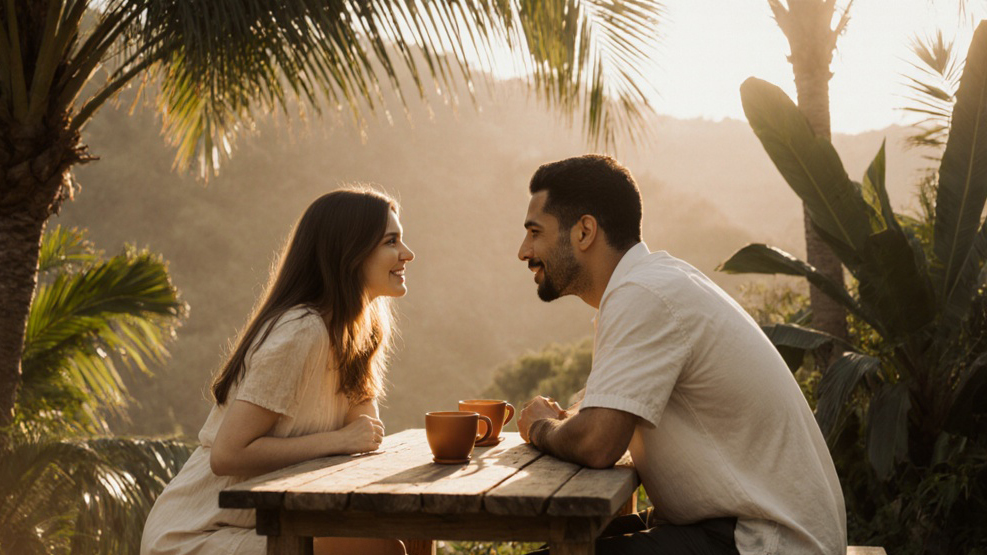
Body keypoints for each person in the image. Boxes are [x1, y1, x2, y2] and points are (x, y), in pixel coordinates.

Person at [514, 155, 846, 555]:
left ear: (584, 231)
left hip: (763, 541)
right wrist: (571, 418)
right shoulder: (653, 283)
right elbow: (600, 411)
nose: (524, 250)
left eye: (535, 232)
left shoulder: (642, 294)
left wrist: (540, 427)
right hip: (742, 529)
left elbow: (598, 444)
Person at [141, 188, 414, 555]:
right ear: (349, 253)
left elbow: (364, 436)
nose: (407, 254)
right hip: (199, 532)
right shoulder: (301, 331)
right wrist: (340, 440)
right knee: (380, 550)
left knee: (390, 539)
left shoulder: (356, 336)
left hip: (268, 526)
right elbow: (228, 455)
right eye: (391, 241)